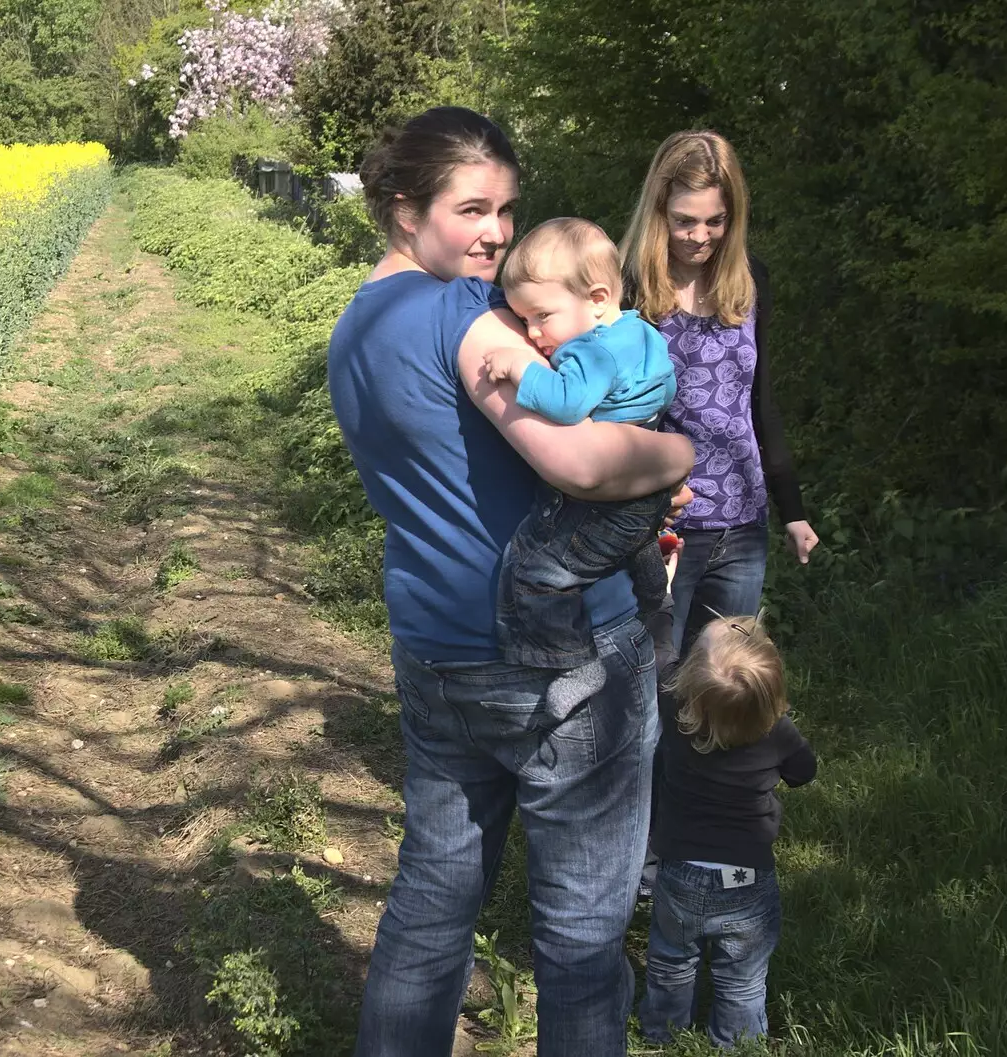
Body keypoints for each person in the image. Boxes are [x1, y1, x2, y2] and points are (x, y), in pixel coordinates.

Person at [327, 106, 695, 1057]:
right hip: (559, 654)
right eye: (472, 209)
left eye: (507, 210)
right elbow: (574, 463)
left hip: (436, 648)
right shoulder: (460, 312)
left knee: (431, 902)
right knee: (580, 938)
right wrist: (676, 450)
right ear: (406, 210)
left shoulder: (353, 329)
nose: (497, 234)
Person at [621, 129, 819, 656]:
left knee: (723, 687)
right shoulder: (626, 288)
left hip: (743, 524)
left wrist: (792, 509)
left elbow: (759, 401)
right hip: (662, 526)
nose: (699, 235)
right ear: (658, 210)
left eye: (715, 220)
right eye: (684, 220)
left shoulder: (752, 281)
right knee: (657, 680)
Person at [482, 217, 678, 667]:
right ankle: (658, 606)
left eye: (541, 316)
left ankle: (570, 662)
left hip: (608, 491)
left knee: (539, 573)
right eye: (524, 320)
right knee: (639, 542)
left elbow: (568, 403)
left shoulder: (590, 350)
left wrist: (520, 367)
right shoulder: (638, 331)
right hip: (646, 480)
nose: (533, 334)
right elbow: (667, 386)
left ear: (597, 299)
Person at [637, 604, 817, 1047]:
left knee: (671, 961)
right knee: (741, 975)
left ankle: (663, 1035)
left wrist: (661, 600)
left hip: (679, 871)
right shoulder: (777, 731)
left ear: (690, 684)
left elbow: (661, 650)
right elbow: (804, 772)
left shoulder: (676, 713)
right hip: (747, 878)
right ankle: (735, 1045)